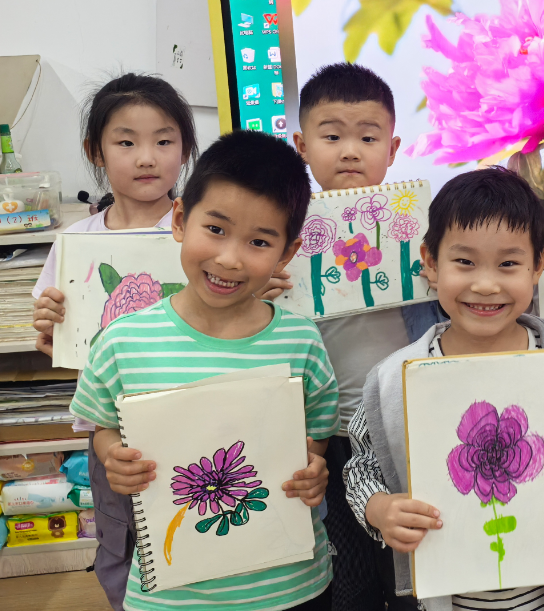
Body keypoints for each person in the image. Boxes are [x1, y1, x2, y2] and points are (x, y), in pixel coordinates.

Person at [344, 167, 544, 611]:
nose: (485, 284)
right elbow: (362, 465)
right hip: (451, 595)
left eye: (508, 264)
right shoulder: (394, 378)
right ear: (430, 262)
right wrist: (378, 508)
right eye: (464, 262)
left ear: (538, 264)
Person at [69, 130, 339, 611]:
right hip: (172, 593)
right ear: (180, 219)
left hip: (290, 586)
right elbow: (104, 426)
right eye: (215, 229)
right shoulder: (123, 341)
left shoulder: (301, 341)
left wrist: (312, 466)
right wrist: (114, 458)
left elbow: (317, 431)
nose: (229, 258)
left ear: (287, 252)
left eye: (259, 241)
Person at [30, 73, 198, 611]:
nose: (147, 157)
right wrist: (51, 330)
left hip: (193, 414)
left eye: (164, 140)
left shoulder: (203, 231)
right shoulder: (75, 243)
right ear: (96, 152)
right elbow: (57, 345)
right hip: (112, 430)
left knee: (200, 532)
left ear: (185, 149)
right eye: (126, 142)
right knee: (121, 538)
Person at [293, 62, 441, 611]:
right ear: (302, 145)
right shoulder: (281, 234)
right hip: (324, 435)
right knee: (348, 574)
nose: (350, 151)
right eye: (332, 137)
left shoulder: (421, 230)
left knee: (412, 561)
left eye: (368, 137)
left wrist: (444, 277)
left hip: (402, 425)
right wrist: (268, 288)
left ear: (393, 148)